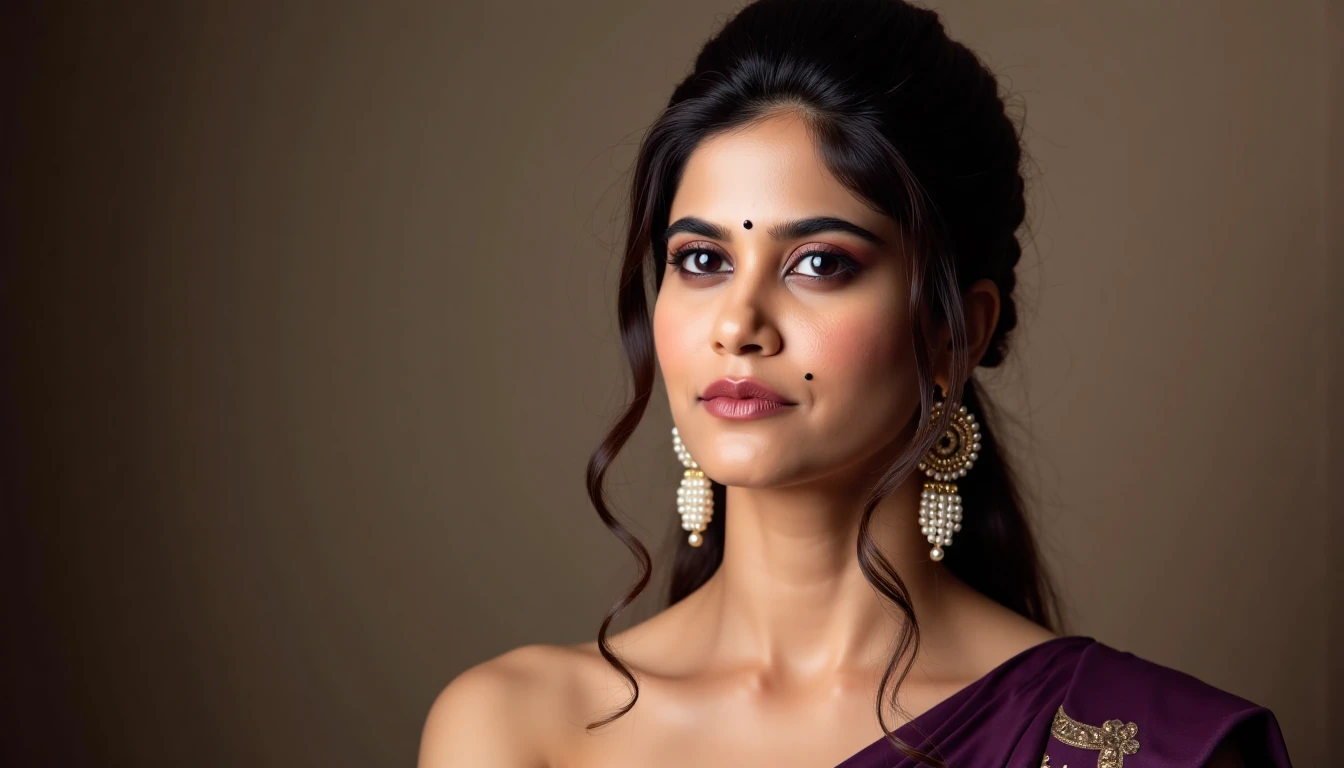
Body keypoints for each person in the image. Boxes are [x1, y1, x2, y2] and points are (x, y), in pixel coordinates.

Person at [418, 0, 1294, 765]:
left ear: (957, 334)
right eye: (702, 259)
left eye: (818, 263)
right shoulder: (516, 729)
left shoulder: (1122, 746)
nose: (738, 323)